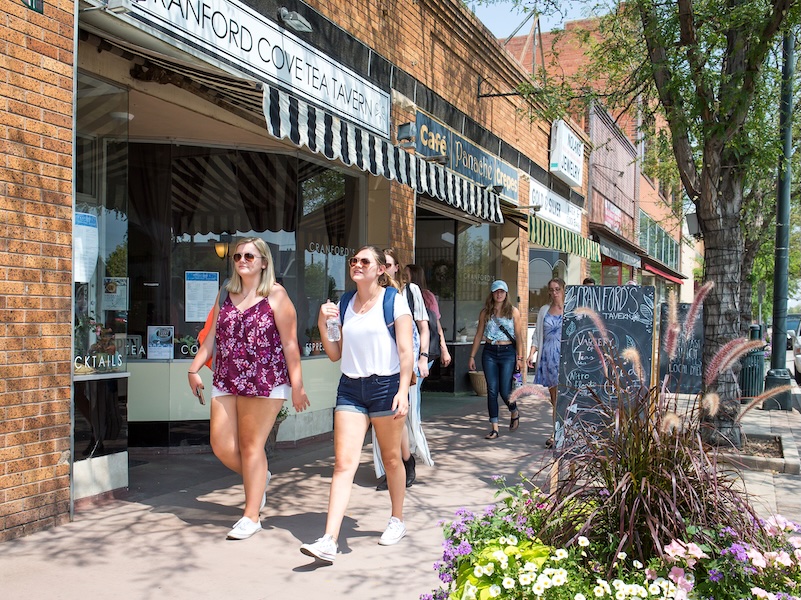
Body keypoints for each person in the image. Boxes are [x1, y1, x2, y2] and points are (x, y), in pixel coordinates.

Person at [187, 237, 310, 540]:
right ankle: (260, 478)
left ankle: (251, 516)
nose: (242, 260)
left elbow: (290, 344)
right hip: (227, 376)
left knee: (251, 445)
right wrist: (193, 367)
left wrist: (298, 386)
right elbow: (211, 339)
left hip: (264, 379)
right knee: (222, 445)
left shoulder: (277, 296)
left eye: (250, 257)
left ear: (264, 262)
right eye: (238, 256)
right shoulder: (225, 293)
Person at [300, 245, 414, 563]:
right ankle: (329, 539)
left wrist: (403, 391)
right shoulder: (345, 302)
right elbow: (335, 353)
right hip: (350, 388)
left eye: (365, 261)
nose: (357, 265)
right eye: (354, 261)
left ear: (380, 269)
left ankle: (396, 519)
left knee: (391, 460)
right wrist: (322, 324)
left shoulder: (395, 302)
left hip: (386, 386)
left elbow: (406, 354)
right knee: (342, 464)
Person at [372, 249, 431, 490]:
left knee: (402, 418)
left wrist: (423, 358)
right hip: (379, 364)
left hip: (406, 362)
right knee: (381, 419)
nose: (383, 268)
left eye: (387, 264)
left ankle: (405, 462)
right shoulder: (370, 293)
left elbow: (423, 327)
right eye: (380, 264)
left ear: (396, 267)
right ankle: (391, 466)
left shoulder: (409, 291)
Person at [467, 280, 524, 439]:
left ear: (506, 294)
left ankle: (514, 411)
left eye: (502, 291)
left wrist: (520, 358)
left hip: (507, 352)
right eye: (496, 291)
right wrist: (472, 356)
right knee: (492, 390)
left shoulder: (513, 312)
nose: (499, 294)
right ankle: (494, 427)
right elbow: (478, 335)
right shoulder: (485, 312)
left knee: (505, 391)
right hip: (490, 351)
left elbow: (519, 337)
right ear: (492, 293)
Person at [526, 277, 565, 449]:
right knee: (555, 398)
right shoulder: (544, 310)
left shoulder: (571, 309)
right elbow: (537, 334)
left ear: (563, 289)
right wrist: (531, 353)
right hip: (548, 357)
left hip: (565, 358)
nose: (554, 293)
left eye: (557, 289)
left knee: (567, 398)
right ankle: (556, 432)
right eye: (551, 289)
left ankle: (564, 431)